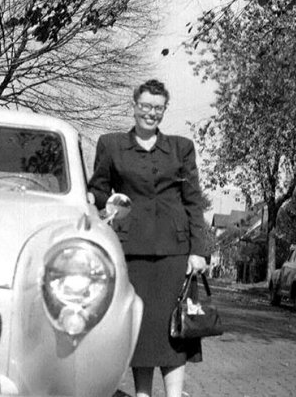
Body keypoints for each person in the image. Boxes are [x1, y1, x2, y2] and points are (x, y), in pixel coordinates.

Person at [88, 79, 208, 397]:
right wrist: (95, 203)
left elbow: (193, 201)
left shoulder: (181, 148)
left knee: (174, 328)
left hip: (174, 253)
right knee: (140, 328)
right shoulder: (111, 145)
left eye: (157, 107)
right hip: (131, 252)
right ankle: (142, 394)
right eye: (145, 106)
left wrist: (199, 252)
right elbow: (100, 188)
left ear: (164, 110)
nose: (150, 113)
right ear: (134, 105)